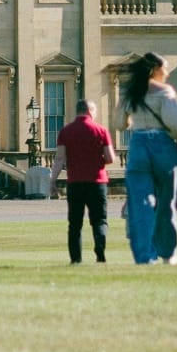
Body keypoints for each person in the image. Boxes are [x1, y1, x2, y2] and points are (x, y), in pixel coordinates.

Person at [120, 53, 177, 265]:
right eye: (165, 69)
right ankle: (168, 254)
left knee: (141, 204)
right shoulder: (164, 92)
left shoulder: (130, 92)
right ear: (154, 70)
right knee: (166, 203)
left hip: (138, 143)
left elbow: (118, 123)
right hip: (161, 144)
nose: (167, 73)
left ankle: (146, 256)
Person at [57, 98, 117, 264]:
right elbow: (110, 158)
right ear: (90, 111)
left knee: (74, 224)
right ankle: (100, 249)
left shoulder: (66, 131)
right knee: (99, 220)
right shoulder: (101, 130)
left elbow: (59, 159)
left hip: (75, 181)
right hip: (97, 182)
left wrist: (52, 180)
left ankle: (76, 259)